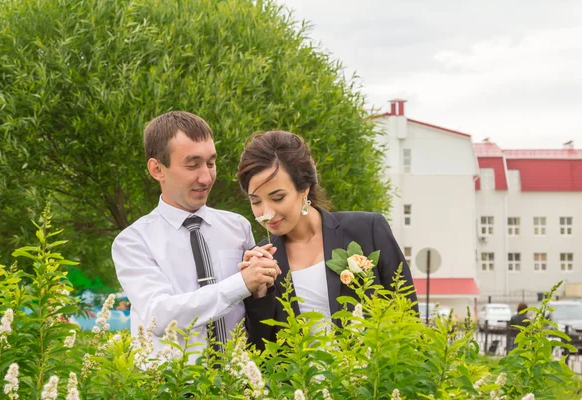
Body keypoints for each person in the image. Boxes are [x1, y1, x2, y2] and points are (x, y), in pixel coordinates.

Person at [112, 111, 280, 362]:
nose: (206, 177)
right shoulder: (132, 242)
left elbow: (252, 311)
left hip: (238, 382)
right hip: (174, 386)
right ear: (157, 169)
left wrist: (260, 287)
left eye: (210, 163)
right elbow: (160, 318)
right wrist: (240, 284)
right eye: (192, 165)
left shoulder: (238, 226)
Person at [236, 130, 418, 349]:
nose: (267, 212)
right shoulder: (261, 261)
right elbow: (261, 349)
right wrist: (259, 294)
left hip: (372, 379)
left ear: (304, 188)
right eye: (255, 201)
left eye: (278, 198)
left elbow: (408, 315)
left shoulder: (367, 230)